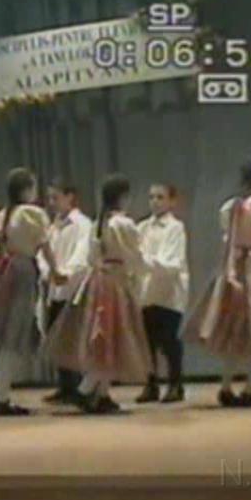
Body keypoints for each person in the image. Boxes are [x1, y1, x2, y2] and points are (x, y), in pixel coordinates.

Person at [45, 173, 153, 414]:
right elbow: (134, 256)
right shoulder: (122, 224)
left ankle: (102, 393)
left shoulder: (99, 223)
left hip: (98, 282)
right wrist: (143, 271)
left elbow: (91, 258)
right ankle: (85, 390)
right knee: (112, 336)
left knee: (106, 338)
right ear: (123, 197)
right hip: (115, 282)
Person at [182, 160, 251, 408]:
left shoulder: (230, 206)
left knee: (235, 330)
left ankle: (226, 385)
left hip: (233, 269)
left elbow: (227, 237)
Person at [0, 167, 66, 416]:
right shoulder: (31, 214)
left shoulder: (4, 214)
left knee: (6, 336)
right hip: (22, 271)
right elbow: (44, 246)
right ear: (26, 190)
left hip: (5, 271)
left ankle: (0, 392)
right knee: (13, 334)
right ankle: (1, 396)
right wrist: (56, 271)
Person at [39, 177, 92, 405]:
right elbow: (42, 253)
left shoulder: (82, 224)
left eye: (56, 197)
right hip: (54, 289)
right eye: (49, 198)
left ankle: (79, 386)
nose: (52, 203)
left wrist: (65, 273)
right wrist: (48, 272)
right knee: (56, 337)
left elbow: (82, 254)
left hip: (74, 289)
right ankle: (65, 385)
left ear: (70, 197)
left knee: (73, 338)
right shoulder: (53, 226)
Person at [136, 184, 190, 404]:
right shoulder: (141, 227)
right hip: (146, 291)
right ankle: (151, 383)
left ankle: (176, 384)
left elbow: (171, 264)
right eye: (152, 197)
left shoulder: (175, 227)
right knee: (147, 341)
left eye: (160, 197)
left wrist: (143, 261)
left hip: (169, 292)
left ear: (172, 201)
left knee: (169, 340)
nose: (155, 202)